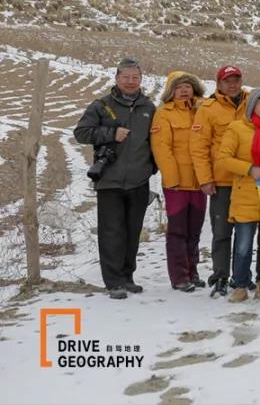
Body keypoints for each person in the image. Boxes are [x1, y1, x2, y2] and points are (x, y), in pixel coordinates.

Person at [74, 58, 156, 299]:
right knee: (111, 233)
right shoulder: (101, 105)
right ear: (117, 78)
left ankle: (127, 277)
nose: (130, 82)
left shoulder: (149, 107)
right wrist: (111, 133)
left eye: (135, 77)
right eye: (126, 77)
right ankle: (113, 282)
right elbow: (81, 133)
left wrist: (151, 168)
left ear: (141, 79)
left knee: (133, 231)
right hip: (110, 180)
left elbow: (156, 141)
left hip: (139, 180)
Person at [215, 88, 260, 303]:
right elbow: (223, 159)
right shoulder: (236, 128)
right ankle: (240, 285)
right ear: (252, 105)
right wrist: (249, 169)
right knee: (243, 245)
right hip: (245, 195)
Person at [191, 65, 251, 298]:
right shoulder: (208, 109)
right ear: (219, 84)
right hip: (222, 181)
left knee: (246, 233)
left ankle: (241, 276)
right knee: (222, 232)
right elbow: (199, 147)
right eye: (228, 81)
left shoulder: (252, 102)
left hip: (248, 180)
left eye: (236, 80)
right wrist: (205, 179)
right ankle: (220, 276)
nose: (232, 84)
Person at [150, 71, 208, 292]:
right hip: (177, 184)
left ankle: (193, 272)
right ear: (171, 92)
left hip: (200, 181)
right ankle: (179, 277)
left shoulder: (202, 110)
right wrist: (172, 178)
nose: (184, 90)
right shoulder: (164, 114)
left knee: (194, 231)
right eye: (179, 87)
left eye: (188, 86)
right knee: (177, 231)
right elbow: (161, 149)